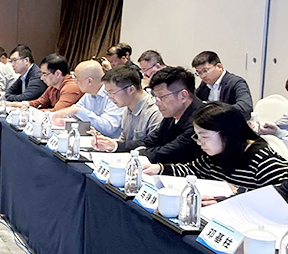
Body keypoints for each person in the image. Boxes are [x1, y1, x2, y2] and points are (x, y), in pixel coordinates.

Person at [144, 103, 288, 193]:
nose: (199, 142)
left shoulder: (262, 159)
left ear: (227, 133)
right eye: (197, 136)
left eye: (204, 136)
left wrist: (238, 192)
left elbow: (280, 197)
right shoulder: (216, 152)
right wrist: (159, 168)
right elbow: (192, 170)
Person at [110, 66, 201, 163]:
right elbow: (151, 140)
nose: (157, 103)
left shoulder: (199, 120)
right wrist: (115, 146)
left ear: (183, 96)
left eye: (161, 97)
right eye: (155, 97)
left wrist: (138, 154)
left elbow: (171, 152)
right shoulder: (172, 113)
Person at [92, 65, 163, 151]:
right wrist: (106, 143)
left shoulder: (155, 112)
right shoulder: (127, 108)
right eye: (108, 93)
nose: (110, 97)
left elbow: (152, 147)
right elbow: (124, 141)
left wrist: (115, 146)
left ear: (131, 90)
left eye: (112, 93)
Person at [52, 60, 124, 136]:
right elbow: (71, 112)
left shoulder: (113, 94)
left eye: (77, 79)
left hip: (111, 141)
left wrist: (78, 111)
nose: (75, 82)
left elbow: (109, 128)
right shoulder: (89, 94)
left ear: (89, 81)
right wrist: (52, 115)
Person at [192, 50, 253, 119]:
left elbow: (245, 108)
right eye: (199, 73)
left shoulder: (236, 82)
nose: (202, 76)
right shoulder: (205, 84)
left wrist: (215, 111)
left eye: (205, 71)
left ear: (219, 67)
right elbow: (195, 102)